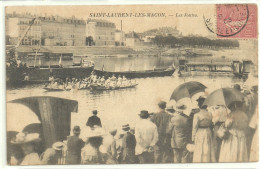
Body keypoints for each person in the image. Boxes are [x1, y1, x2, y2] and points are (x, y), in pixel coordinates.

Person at [192, 97, 216, 162]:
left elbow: (195, 127)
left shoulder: (197, 115)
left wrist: (193, 138)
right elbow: (211, 124)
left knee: (200, 147)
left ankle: (199, 161)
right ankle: (207, 160)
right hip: (208, 131)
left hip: (200, 132)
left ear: (199, 105)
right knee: (207, 146)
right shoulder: (210, 114)